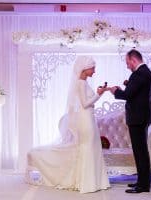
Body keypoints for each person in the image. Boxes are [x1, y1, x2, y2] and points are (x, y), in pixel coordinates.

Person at [26, 56, 110, 193]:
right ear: (85, 68)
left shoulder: (83, 82)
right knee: (87, 148)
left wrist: (100, 92)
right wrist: (99, 94)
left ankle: (93, 182)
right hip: (86, 120)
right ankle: (87, 183)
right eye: (93, 68)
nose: (94, 71)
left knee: (91, 148)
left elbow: (88, 101)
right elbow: (85, 103)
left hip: (89, 118)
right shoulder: (81, 83)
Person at [110, 49, 151, 193]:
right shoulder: (146, 73)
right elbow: (138, 92)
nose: (127, 65)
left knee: (140, 152)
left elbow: (127, 95)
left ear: (133, 60)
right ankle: (142, 182)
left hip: (138, 118)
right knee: (140, 151)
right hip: (142, 116)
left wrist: (115, 91)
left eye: (127, 62)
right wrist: (128, 84)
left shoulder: (139, 74)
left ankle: (143, 185)